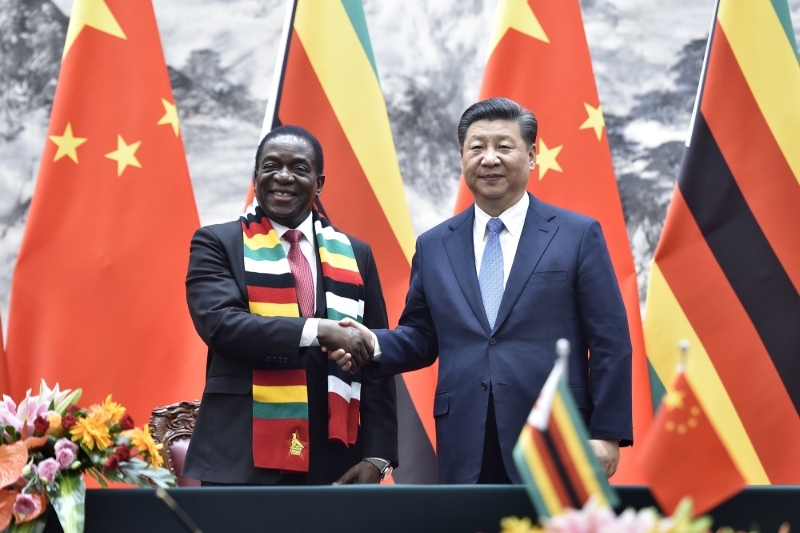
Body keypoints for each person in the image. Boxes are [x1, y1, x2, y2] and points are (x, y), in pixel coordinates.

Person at [334, 98, 632, 484]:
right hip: (466, 436)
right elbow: (423, 336)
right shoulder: (434, 244)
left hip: (557, 434)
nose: (489, 158)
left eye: (504, 146)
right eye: (477, 147)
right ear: (462, 157)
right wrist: (371, 343)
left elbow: (610, 340)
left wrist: (606, 433)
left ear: (532, 155)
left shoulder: (576, 235)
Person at [182, 125, 397, 485]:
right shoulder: (217, 243)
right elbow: (222, 326)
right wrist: (318, 330)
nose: (282, 176)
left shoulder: (356, 254)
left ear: (319, 182)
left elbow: (374, 356)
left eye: (298, 168)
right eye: (270, 166)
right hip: (242, 457)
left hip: (334, 460)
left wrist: (378, 455)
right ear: (255, 176)